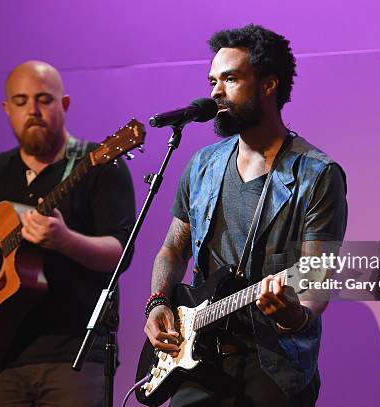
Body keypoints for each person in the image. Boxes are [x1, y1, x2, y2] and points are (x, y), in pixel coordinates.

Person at [143, 25, 347, 406]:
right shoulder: (203, 165)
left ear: (268, 85)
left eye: (230, 79)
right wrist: (157, 303)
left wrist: (292, 315)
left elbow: (316, 278)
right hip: (197, 356)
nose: (215, 92)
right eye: (212, 81)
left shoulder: (317, 174)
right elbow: (173, 248)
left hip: (273, 362)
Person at [0, 61, 135, 406]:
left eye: (44, 100)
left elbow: (121, 253)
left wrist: (66, 241)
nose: (33, 111)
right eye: (21, 102)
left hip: (74, 358)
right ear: (6, 109)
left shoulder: (99, 164)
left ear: (64, 104)